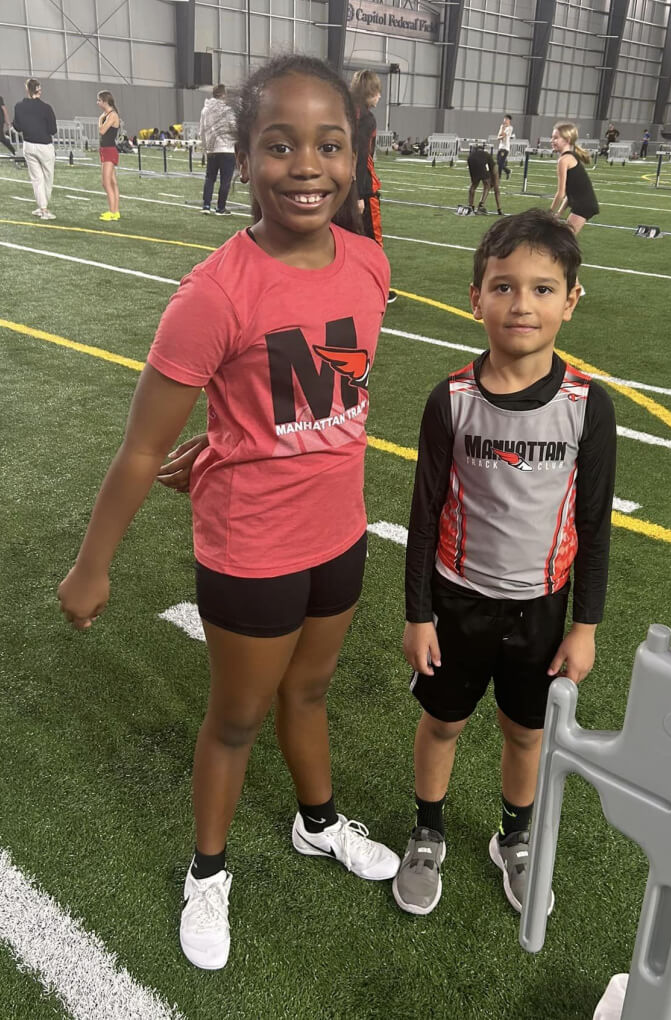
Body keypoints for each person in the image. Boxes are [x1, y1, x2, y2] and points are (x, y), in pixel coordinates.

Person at [57, 53, 398, 972]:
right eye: (279, 145)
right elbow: (138, 447)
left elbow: (321, 391)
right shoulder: (214, 293)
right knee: (236, 719)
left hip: (340, 534)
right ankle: (208, 871)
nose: (306, 166)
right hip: (251, 550)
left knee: (312, 691)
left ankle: (316, 823)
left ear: (353, 152)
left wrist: (229, 441)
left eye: (329, 145)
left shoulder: (369, 263)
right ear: (243, 157)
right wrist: (94, 563)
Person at [390, 208, 616, 917]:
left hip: (542, 609)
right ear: (475, 296)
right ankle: (428, 833)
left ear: (572, 301)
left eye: (544, 289)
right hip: (458, 602)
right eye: (504, 287)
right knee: (444, 724)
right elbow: (424, 515)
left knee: (526, 731)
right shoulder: (451, 400)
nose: (523, 304)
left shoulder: (588, 405)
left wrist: (585, 625)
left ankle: (512, 839)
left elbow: (594, 522)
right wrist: (418, 614)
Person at [351, 69, 397, 304]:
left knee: (350, 239)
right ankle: (378, 288)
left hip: (347, 185)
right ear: (370, 92)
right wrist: (358, 193)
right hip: (364, 189)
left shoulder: (348, 113)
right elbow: (359, 157)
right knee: (373, 241)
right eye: (377, 92)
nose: (380, 97)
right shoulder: (365, 118)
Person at [549, 120, 599, 294]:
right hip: (581, 204)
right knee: (564, 244)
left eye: (556, 138)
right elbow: (569, 194)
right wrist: (558, 215)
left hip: (584, 205)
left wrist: (549, 212)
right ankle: (575, 285)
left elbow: (560, 193)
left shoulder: (564, 160)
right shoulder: (570, 157)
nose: (552, 140)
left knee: (564, 245)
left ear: (567, 139)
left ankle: (575, 286)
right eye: (552, 137)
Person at [13, 78, 57, 220]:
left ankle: (42, 208)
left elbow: (17, 127)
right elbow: (52, 130)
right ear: (39, 90)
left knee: (36, 179)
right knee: (47, 178)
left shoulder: (19, 106)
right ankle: (44, 208)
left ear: (27, 89)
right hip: (44, 146)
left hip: (28, 145)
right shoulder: (47, 108)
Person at [199, 83, 236, 215]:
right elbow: (234, 127)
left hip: (212, 149)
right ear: (223, 94)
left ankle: (206, 205)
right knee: (225, 181)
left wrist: (205, 148)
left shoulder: (205, 110)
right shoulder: (227, 110)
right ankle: (220, 208)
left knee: (210, 178)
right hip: (227, 149)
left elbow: (201, 131)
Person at [97, 91, 120, 221]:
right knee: (112, 182)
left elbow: (102, 130)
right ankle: (115, 211)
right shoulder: (108, 114)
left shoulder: (112, 115)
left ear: (105, 101)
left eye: (99, 100)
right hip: (106, 150)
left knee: (106, 183)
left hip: (109, 151)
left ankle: (112, 212)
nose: (97, 103)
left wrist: (100, 120)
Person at [465, 145, 502, 215]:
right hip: (480, 162)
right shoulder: (493, 165)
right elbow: (496, 190)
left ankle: (470, 206)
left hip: (470, 159)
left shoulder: (482, 155)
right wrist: (499, 209)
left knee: (474, 184)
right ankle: (481, 206)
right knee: (486, 185)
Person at [496, 114, 513, 180]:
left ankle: (498, 178)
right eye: (504, 119)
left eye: (506, 119)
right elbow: (498, 136)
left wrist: (502, 131)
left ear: (509, 120)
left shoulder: (510, 128)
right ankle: (508, 171)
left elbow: (503, 135)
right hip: (500, 147)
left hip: (505, 148)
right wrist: (502, 133)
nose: (504, 120)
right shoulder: (502, 126)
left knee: (500, 163)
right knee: (498, 163)